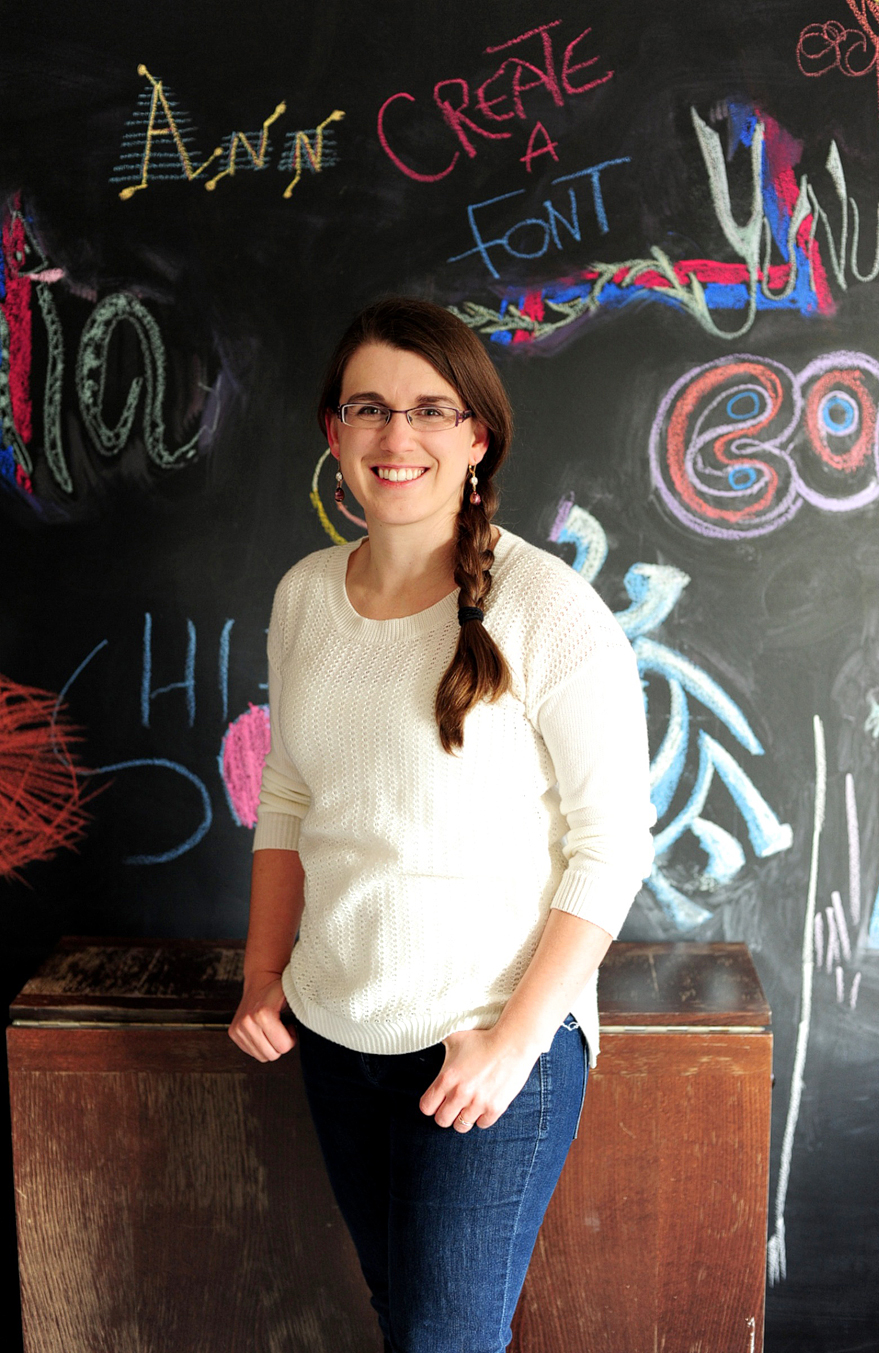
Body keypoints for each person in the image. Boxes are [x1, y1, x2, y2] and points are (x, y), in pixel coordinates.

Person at [229, 296, 655, 1353]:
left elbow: (614, 847)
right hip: (336, 1033)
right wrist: (260, 974)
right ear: (333, 434)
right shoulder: (302, 599)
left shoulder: (550, 610)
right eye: (368, 408)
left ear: (477, 436)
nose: (395, 435)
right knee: (405, 1322)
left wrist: (515, 1044)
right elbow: (287, 795)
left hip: (485, 1044)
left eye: (429, 409)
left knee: (441, 1341)